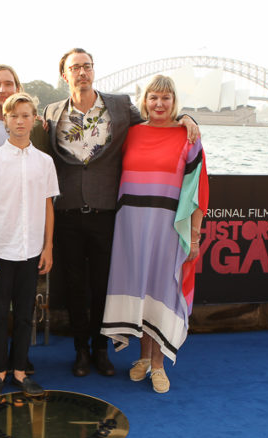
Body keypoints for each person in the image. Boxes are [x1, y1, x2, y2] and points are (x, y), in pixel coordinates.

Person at [43, 48, 200, 377]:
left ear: (93, 70)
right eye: (75, 67)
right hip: (67, 213)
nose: (82, 72)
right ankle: (80, 351)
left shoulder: (119, 105)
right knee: (74, 287)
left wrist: (188, 118)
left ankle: (101, 350)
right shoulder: (52, 112)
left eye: (87, 66)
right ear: (64, 75)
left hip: (107, 215)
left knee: (104, 285)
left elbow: (157, 120)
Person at [100, 75, 209, 393]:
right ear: (144, 101)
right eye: (153, 97)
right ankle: (144, 358)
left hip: (168, 228)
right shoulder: (131, 133)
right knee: (140, 290)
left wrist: (195, 235)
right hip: (130, 228)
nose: (159, 104)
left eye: (165, 98)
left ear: (174, 101)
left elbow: (199, 190)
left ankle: (159, 365)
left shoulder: (188, 136)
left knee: (162, 290)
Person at [0, 92, 60, 397]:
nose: (20, 121)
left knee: (24, 314)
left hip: (31, 251)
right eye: (14, 116)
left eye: (25, 116)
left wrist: (48, 247)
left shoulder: (45, 162)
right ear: (5, 121)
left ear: (34, 120)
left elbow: (48, 206)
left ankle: (20, 371)